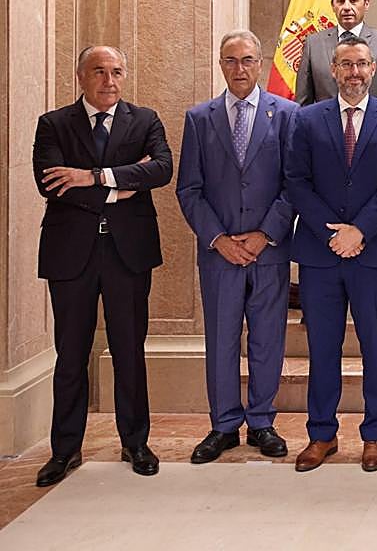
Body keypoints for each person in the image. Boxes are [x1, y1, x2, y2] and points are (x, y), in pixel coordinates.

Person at [33, 46, 173, 486]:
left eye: (116, 72)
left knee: (129, 350)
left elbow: (161, 170)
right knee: (70, 354)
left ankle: (135, 442)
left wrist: (91, 177)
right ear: (80, 76)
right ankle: (65, 450)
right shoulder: (54, 124)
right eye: (99, 72)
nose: (109, 81)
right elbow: (49, 183)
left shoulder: (145, 120)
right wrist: (122, 185)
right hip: (70, 254)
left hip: (127, 253)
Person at [285, 35, 377, 473]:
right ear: (333, 70)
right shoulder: (307, 119)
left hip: (373, 253)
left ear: (373, 69)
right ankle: (322, 433)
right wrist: (332, 235)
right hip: (320, 255)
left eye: (361, 64)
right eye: (346, 65)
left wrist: (359, 231)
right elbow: (296, 181)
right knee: (322, 347)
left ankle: (376, 435)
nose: (354, 73)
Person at [176, 30, 296, 464]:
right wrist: (218, 239)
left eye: (247, 60)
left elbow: (294, 184)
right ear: (221, 65)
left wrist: (265, 234)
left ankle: (262, 421)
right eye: (231, 60)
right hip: (220, 254)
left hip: (269, 252)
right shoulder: (199, 118)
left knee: (267, 340)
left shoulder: (287, 115)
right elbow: (189, 189)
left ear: (260, 63)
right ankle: (224, 425)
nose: (239, 68)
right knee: (221, 340)